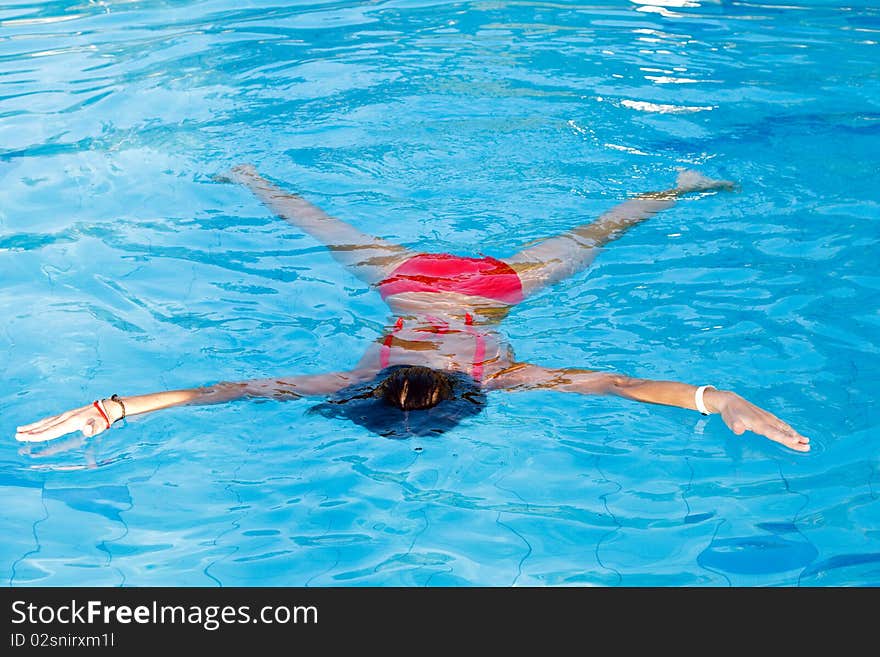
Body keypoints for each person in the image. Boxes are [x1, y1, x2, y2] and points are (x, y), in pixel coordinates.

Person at [14, 166, 810, 452]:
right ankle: (253, 179)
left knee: (596, 233)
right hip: (405, 278)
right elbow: (226, 389)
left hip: (497, 286)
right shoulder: (367, 372)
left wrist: (718, 397)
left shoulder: (505, 376)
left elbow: (615, 383)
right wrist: (113, 408)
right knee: (320, 226)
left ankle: (676, 187)